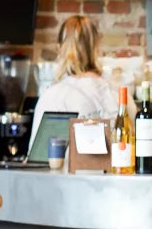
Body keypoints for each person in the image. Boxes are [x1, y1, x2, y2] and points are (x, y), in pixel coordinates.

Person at [30, 15, 121, 144]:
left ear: (59, 48)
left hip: (71, 165)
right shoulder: (121, 94)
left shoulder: (54, 97)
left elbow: (39, 160)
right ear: (97, 47)